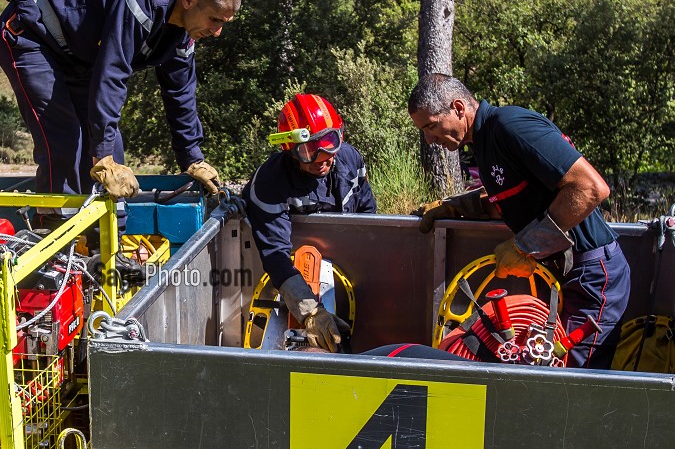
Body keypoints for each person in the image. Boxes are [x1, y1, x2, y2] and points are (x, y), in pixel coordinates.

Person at [407, 74, 631, 369]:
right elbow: (514, 201)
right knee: (547, 371)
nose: (429, 139)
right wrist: (457, 207)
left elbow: (590, 188)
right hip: (566, 276)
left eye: (431, 126)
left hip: (592, 277)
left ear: (459, 108)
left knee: (571, 382)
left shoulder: (511, 126)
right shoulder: (486, 142)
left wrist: (523, 247)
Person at [0, 0, 240, 203]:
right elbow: (112, 75)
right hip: (30, 34)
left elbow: (180, 94)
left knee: (113, 152)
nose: (217, 32)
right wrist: (102, 156)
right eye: (215, 20)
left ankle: (108, 241)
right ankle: (56, 235)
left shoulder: (184, 32)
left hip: (76, 57)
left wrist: (191, 159)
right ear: (189, 0)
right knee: (66, 142)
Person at [246, 94, 376, 352]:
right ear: (289, 149)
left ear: (340, 134)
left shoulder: (351, 161)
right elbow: (275, 255)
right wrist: (309, 312)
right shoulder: (269, 183)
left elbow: (369, 220)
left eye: (329, 143)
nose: (322, 158)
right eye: (308, 150)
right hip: (285, 280)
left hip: (346, 279)